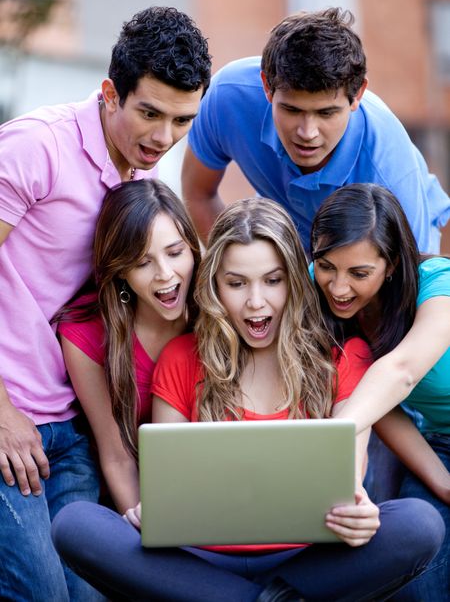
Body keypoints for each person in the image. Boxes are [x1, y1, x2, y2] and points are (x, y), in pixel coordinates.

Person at [52, 198, 444, 602]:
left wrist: (358, 514)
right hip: (197, 562)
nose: (256, 302)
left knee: (419, 524)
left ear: (294, 280)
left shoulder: (343, 357)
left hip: (310, 560)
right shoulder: (182, 358)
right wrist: (147, 513)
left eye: (272, 281)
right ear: (214, 286)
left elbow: (350, 474)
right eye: (236, 283)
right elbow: (167, 488)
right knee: (75, 524)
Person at [0, 6, 210, 601]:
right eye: (149, 113)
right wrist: (2, 411)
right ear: (110, 93)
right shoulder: (35, 148)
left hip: (70, 421)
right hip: (10, 416)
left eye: (181, 121)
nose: (163, 138)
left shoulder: (138, 182)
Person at [181, 7, 450, 253]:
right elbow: (199, 194)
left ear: (357, 95)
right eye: (292, 110)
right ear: (266, 86)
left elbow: (411, 284)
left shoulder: (389, 168)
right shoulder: (228, 96)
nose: (307, 133)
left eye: (326, 113)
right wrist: (241, 270)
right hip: (291, 236)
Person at [310, 182, 450, 601]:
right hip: (440, 442)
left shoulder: (437, 284)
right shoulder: (331, 314)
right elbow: (383, 411)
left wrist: (330, 435)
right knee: (417, 576)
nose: (337, 287)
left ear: (390, 266)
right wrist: (443, 485)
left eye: (359, 273)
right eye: (326, 266)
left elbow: (402, 371)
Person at [56, 178, 201, 514]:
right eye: (142, 262)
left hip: (204, 490)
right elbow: (117, 457)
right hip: (124, 498)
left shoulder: (214, 311)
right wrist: (154, 529)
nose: (165, 274)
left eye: (175, 252)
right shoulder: (86, 333)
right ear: (121, 271)